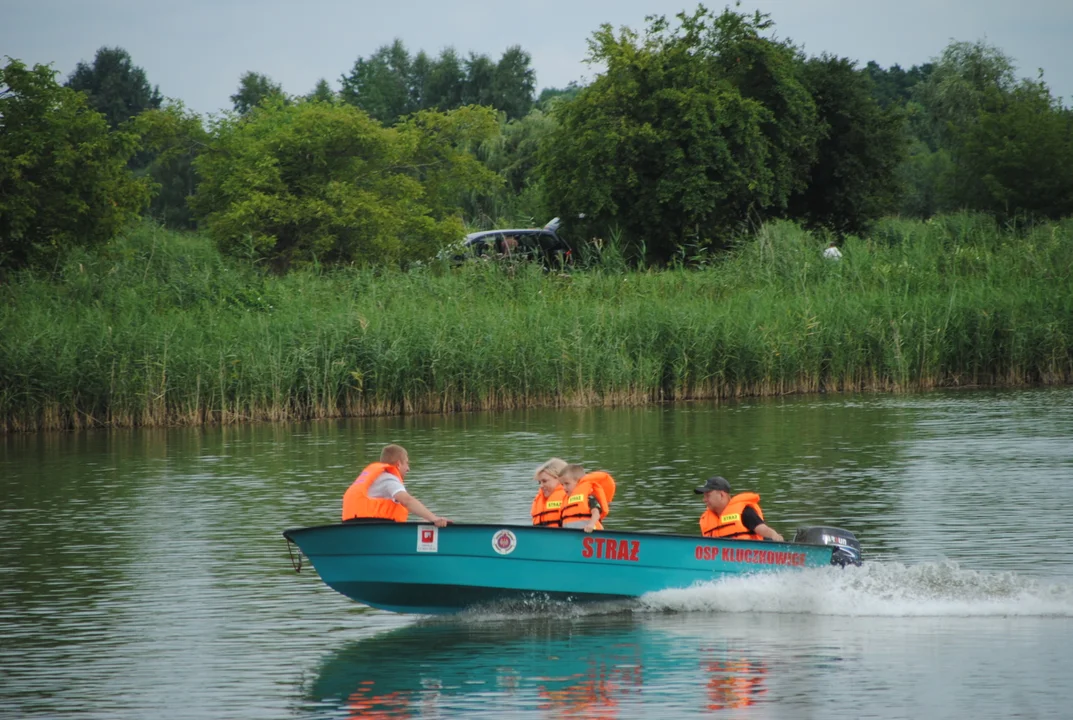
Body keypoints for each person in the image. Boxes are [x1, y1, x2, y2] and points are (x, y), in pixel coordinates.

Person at [342, 444, 449, 527]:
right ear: (398, 464)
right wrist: (434, 519)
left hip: (352, 524)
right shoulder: (388, 478)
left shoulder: (374, 477)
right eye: (407, 463)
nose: (408, 468)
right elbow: (407, 501)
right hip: (371, 526)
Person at [695, 476, 783, 541]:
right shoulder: (706, 519)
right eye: (704, 496)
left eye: (708, 496)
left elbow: (762, 529)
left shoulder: (744, 511)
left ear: (721, 495)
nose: (704, 500)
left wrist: (774, 535)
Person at [559, 464, 609, 533]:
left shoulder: (589, 497)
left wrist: (591, 525)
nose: (564, 488)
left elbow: (596, 512)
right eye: (562, 484)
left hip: (591, 535)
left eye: (567, 484)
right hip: (572, 536)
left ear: (579, 482)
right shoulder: (565, 501)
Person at [531, 458, 568, 527]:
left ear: (560, 479)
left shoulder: (571, 498)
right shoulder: (540, 500)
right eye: (539, 482)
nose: (541, 486)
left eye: (545, 481)